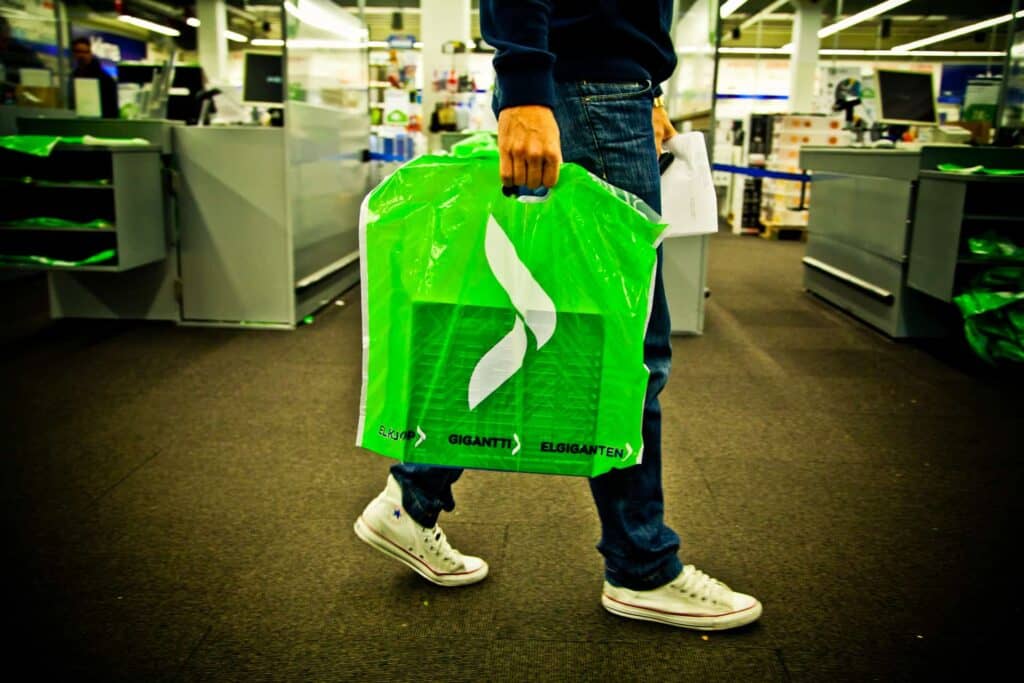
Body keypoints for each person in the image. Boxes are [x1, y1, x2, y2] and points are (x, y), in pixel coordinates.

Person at [354, 1, 762, 631]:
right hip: (586, 88)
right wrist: (525, 88)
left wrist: (647, 90)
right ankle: (641, 567)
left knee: (556, 323)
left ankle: (413, 498)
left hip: (606, 87)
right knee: (625, 349)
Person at [69, 37, 118, 118]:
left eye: (85, 52)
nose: (82, 55)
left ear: (90, 53)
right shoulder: (73, 76)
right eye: (78, 52)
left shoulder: (105, 79)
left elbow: (111, 108)